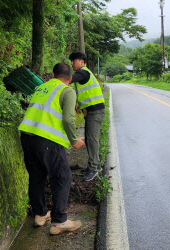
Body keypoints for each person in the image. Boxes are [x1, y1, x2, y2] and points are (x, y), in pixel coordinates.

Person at [18, 62, 85, 235]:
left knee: (37, 176)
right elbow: (69, 119)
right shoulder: (67, 90)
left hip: (27, 136)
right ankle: (59, 221)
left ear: (53, 76)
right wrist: (74, 140)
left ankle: (40, 214)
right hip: (47, 140)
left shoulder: (41, 88)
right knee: (62, 177)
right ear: (69, 79)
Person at [69, 51, 105, 182]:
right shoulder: (84, 73)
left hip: (95, 112)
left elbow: (70, 79)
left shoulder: (84, 72)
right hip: (92, 111)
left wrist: (58, 78)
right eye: (71, 61)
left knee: (92, 139)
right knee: (90, 139)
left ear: (82, 62)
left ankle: (94, 168)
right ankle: (95, 164)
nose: (72, 63)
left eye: (74, 60)